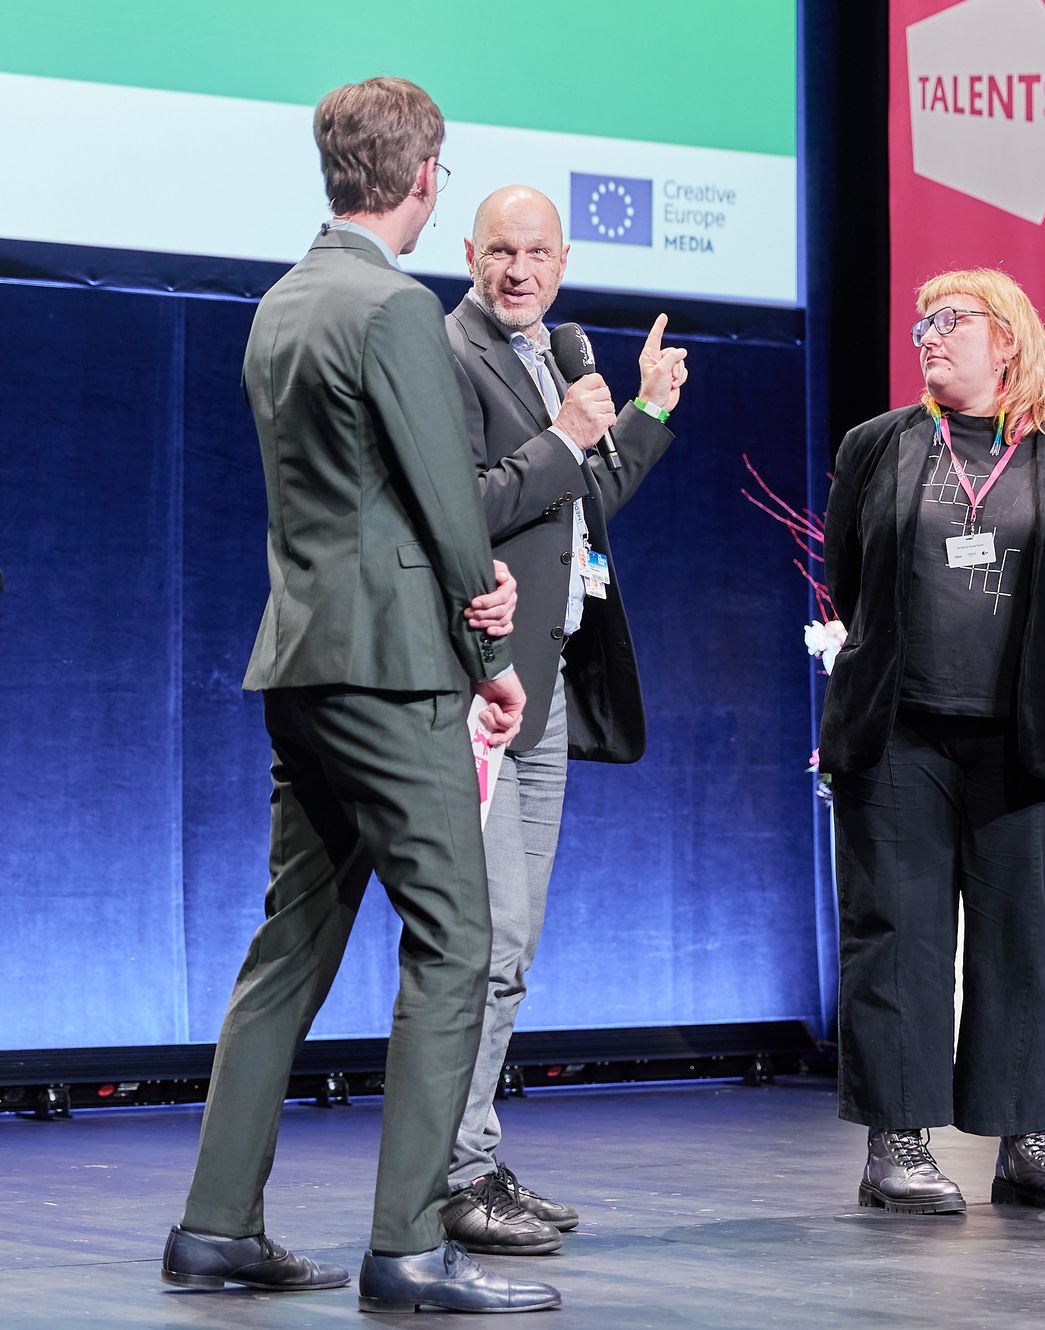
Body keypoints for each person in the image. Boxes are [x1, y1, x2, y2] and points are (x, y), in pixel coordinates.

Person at [160, 77, 560, 1314]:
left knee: (289, 943)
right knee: (455, 938)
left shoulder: (282, 300)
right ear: (425, 174)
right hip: (391, 670)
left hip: (302, 663)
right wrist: (489, 647)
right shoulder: (390, 308)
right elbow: (447, 502)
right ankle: (409, 1249)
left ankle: (215, 1226)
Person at [819, 268, 1045, 1214]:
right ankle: (898, 1145)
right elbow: (852, 577)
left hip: (1027, 741)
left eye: (951, 320)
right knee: (898, 938)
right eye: (922, 322)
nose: (927, 334)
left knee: (1026, 943)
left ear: (1006, 337)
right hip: (898, 737)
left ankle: (1025, 1143)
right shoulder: (877, 446)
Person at [437, 184, 688, 1253]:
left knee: (515, 944)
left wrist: (646, 413)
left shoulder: (558, 353)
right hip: (479, 688)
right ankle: (453, 1172)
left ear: (564, 256)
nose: (520, 270)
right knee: (480, 941)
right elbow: (462, 507)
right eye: (501, 250)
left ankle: (477, 1155)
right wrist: (561, 429)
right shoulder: (449, 355)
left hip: (545, 685)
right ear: (470, 251)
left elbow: (576, 501)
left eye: (538, 251)